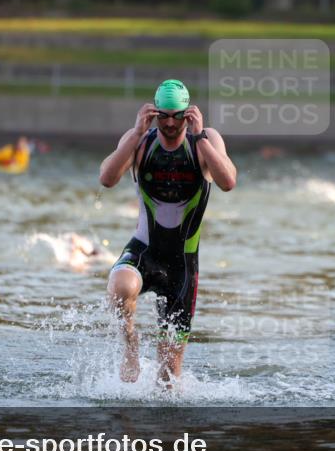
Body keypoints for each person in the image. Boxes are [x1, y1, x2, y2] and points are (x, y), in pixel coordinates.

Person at [99, 80, 237, 385]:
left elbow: (228, 181)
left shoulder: (206, 139)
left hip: (183, 266)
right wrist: (135, 135)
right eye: (164, 116)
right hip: (145, 250)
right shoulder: (140, 140)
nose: (171, 123)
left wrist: (199, 136)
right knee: (120, 285)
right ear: (154, 113)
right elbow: (107, 179)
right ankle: (130, 347)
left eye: (178, 116)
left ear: (188, 114)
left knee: (168, 381)